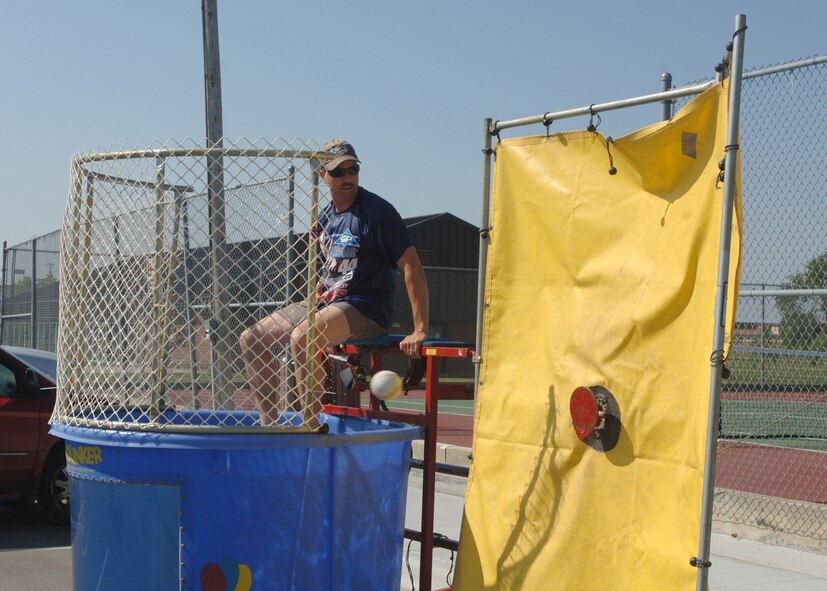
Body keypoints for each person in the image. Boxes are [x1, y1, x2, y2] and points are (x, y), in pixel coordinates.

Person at [239, 140, 429, 425]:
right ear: (322, 175)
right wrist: (320, 287)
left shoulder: (378, 213)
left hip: (365, 306)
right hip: (327, 302)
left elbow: (411, 265)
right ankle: (270, 426)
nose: (347, 176)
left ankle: (310, 428)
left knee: (303, 338)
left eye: (353, 168)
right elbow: (332, 266)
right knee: (251, 338)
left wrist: (420, 329)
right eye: (338, 171)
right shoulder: (326, 216)